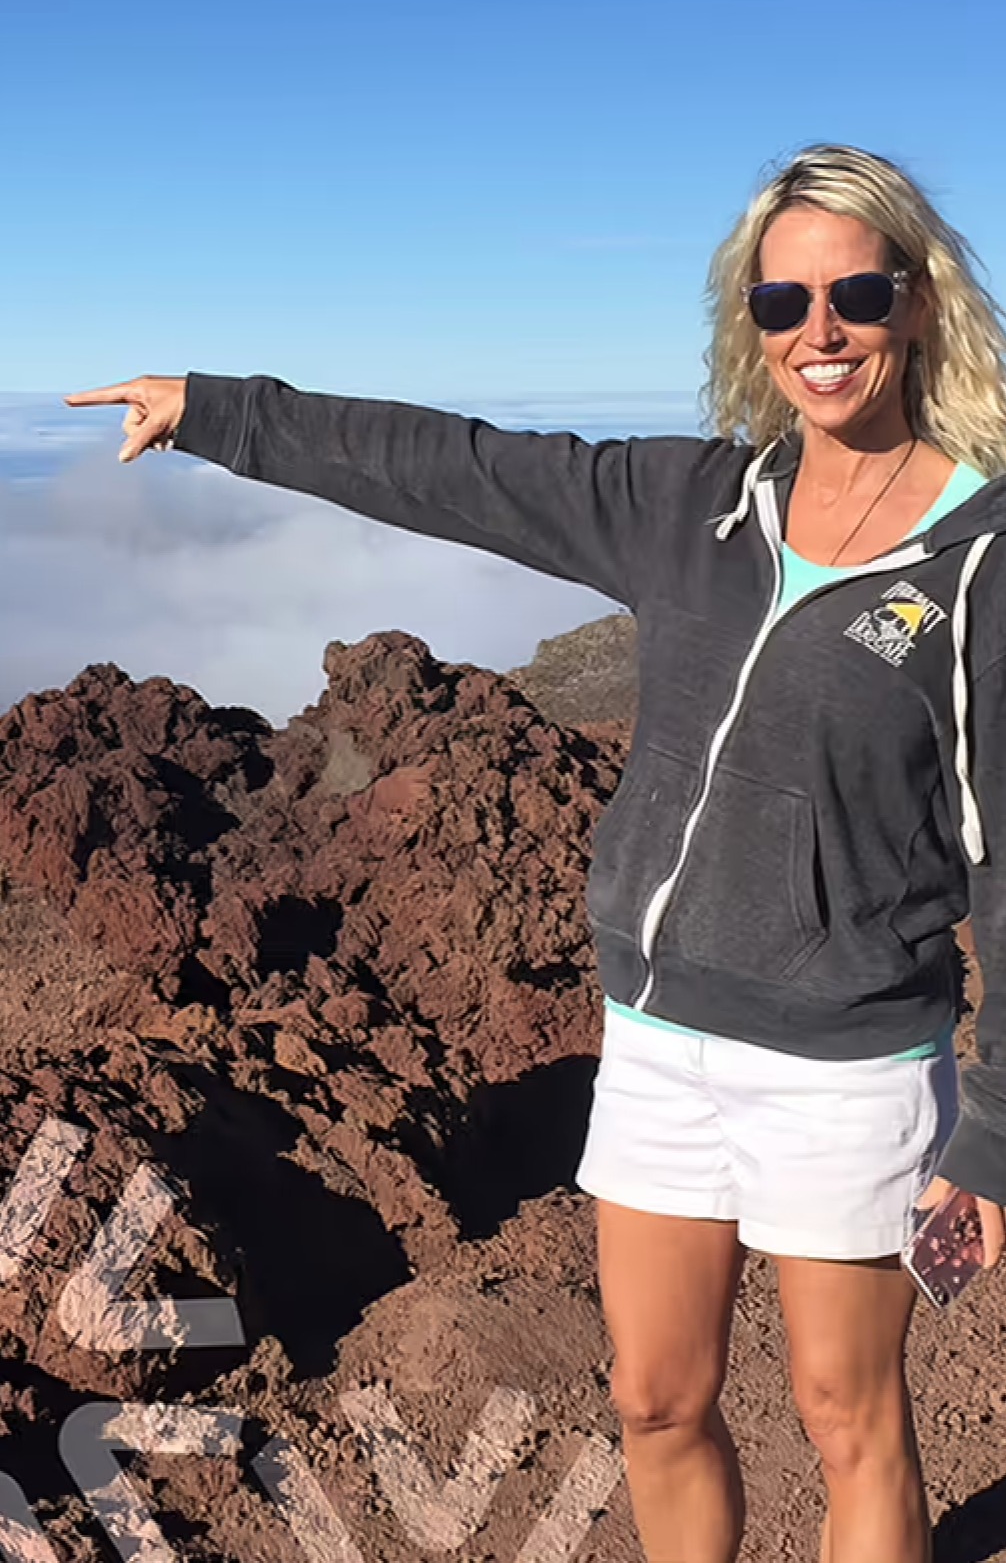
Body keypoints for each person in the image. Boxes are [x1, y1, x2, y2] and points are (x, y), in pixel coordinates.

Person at [67, 143, 1006, 1563]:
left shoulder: (978, 560)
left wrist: (989, 1137)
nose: (819, 331)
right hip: (658, 1039)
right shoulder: (690, 502)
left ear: (917, 301)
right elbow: (456, 468)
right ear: (747, 322)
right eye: (781, 302)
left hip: (843, 1059)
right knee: (653, 1398)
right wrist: (215, 410)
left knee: (846, 1414)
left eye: (855, 292)